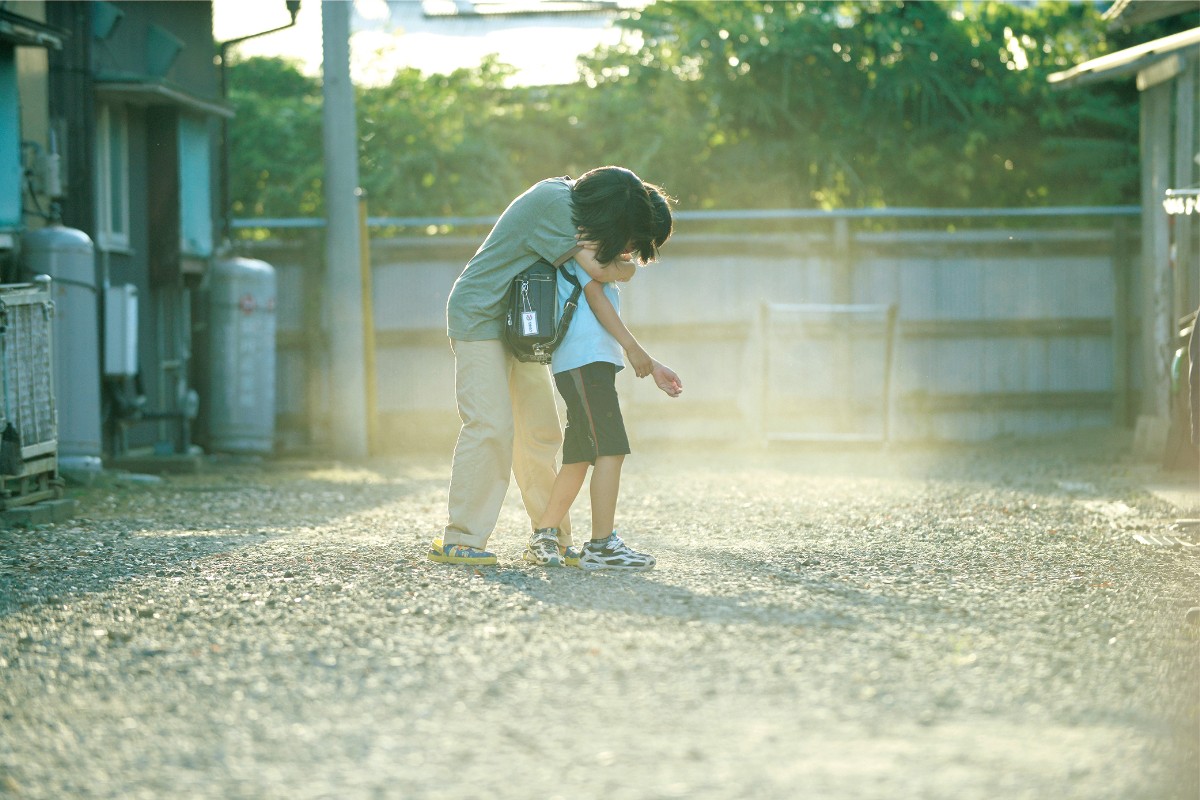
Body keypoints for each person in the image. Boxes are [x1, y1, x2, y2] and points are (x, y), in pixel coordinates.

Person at [430, 166, 676, 565]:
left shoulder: (574, 211)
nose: (628, 249)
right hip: (479, 316)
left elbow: (601, 265)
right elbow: (599, 270)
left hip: (519, 325)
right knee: (490, 425)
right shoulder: (556, 204)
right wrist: (624, 267)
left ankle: (552, 539)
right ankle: (463, 538)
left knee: (540, 432)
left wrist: (613, 261)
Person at [524, 185, 682, 571]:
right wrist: (635, 350)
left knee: (580, 455)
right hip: (584, 361)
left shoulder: (592, 247)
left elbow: (610, 281)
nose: (631, 248)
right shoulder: (588, 243)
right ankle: (601, 545)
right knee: (611, 449)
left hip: (584, 362)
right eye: (635, 237)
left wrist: (623, 268)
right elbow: (595, 294)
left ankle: (544, 536)